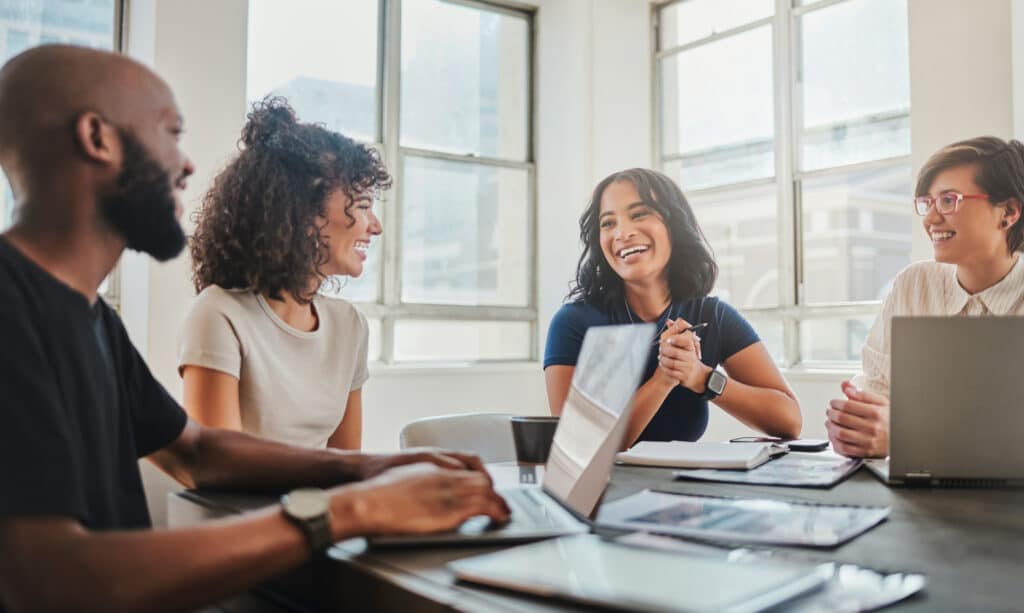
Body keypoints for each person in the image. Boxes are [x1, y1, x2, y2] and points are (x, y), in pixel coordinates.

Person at [0, 45, 508, 613]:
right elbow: (49, 581)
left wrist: (371, 468)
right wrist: (350, 510)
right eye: (171, 132)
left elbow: (195, 449)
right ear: (99, 138)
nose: (187, 164)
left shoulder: (90, 318)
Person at [180, 97, 384, 450]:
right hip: (242, 507)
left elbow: (347, 465)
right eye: (363, 206)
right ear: (306, 213)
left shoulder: (349, 325)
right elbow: (221, 471)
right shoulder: (219, 314)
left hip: (322, 505)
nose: (375, 227)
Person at [545, 168, 801, 447]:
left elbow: (789, 421)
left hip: (685, 486)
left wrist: (701, 377)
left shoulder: (711, 316)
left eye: (639, 214)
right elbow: (577, 446)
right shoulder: (575, 323)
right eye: (608, 223)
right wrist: (663, 379)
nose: (622, 233)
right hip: (604, 488)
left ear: (674, 225)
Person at [827, 137, 1024, 458]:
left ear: (1009, 211)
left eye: (949, 200)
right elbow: (876, 392)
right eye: (927, 203)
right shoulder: (913, 284)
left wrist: (908, 436)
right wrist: (857, 424)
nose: (931, 219)